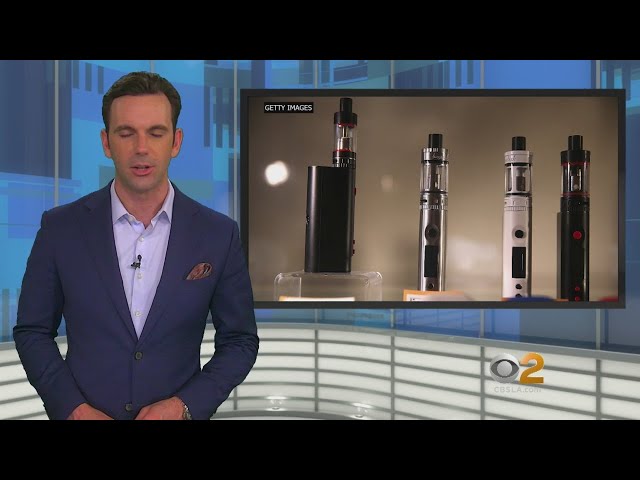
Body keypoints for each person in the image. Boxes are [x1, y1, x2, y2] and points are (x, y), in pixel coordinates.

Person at [13, 71, 259, 420]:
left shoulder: (218, 234)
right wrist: (73, 410)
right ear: (106, 142)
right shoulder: (60, 228)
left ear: (175, 142)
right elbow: (33, 332)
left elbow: (240, 341)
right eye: (126, 133)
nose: (141, 148)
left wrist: (183, 406)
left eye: (155, 133)